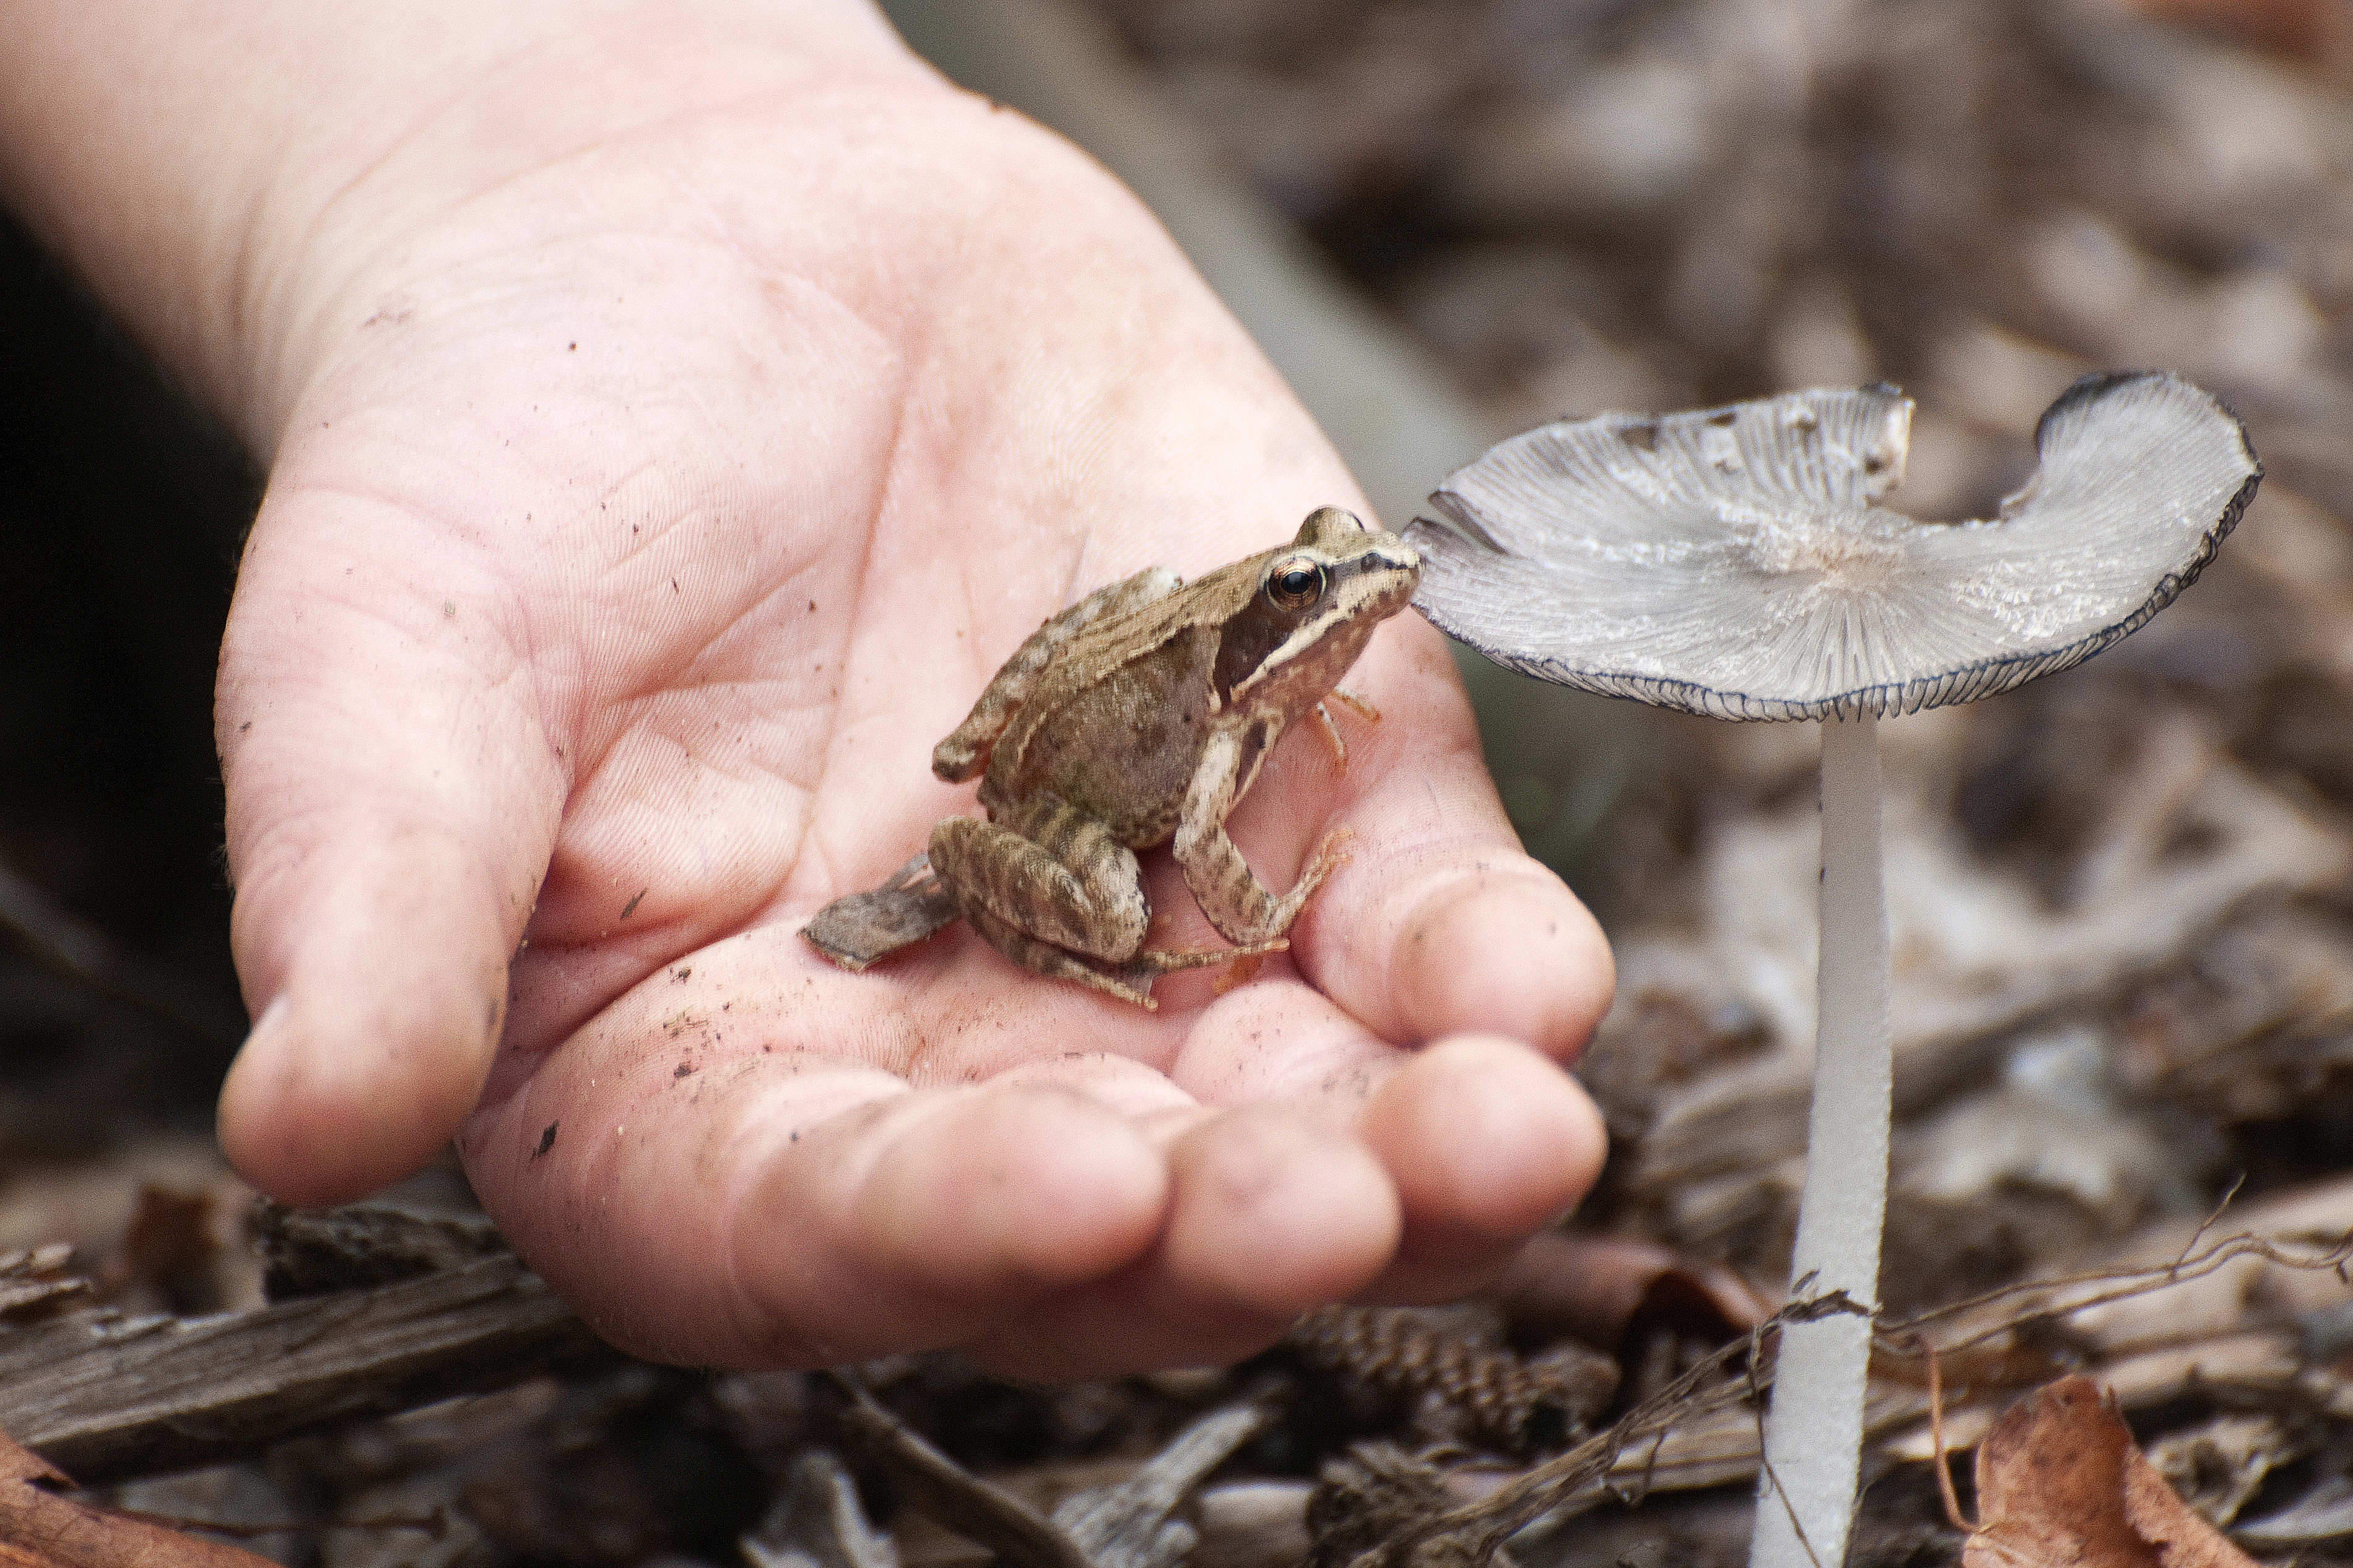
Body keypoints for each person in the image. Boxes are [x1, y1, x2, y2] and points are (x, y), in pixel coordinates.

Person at [0, 0, 1615, 1375]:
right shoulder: (1222, 744)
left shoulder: (1270, 679)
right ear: (1269, 630)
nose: (1346, 596)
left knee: (1532, 724)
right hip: (1071, 795)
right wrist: (462, 156)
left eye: (1322, 575)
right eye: (1307, 594)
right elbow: (1196, 848)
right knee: (1136, 921)